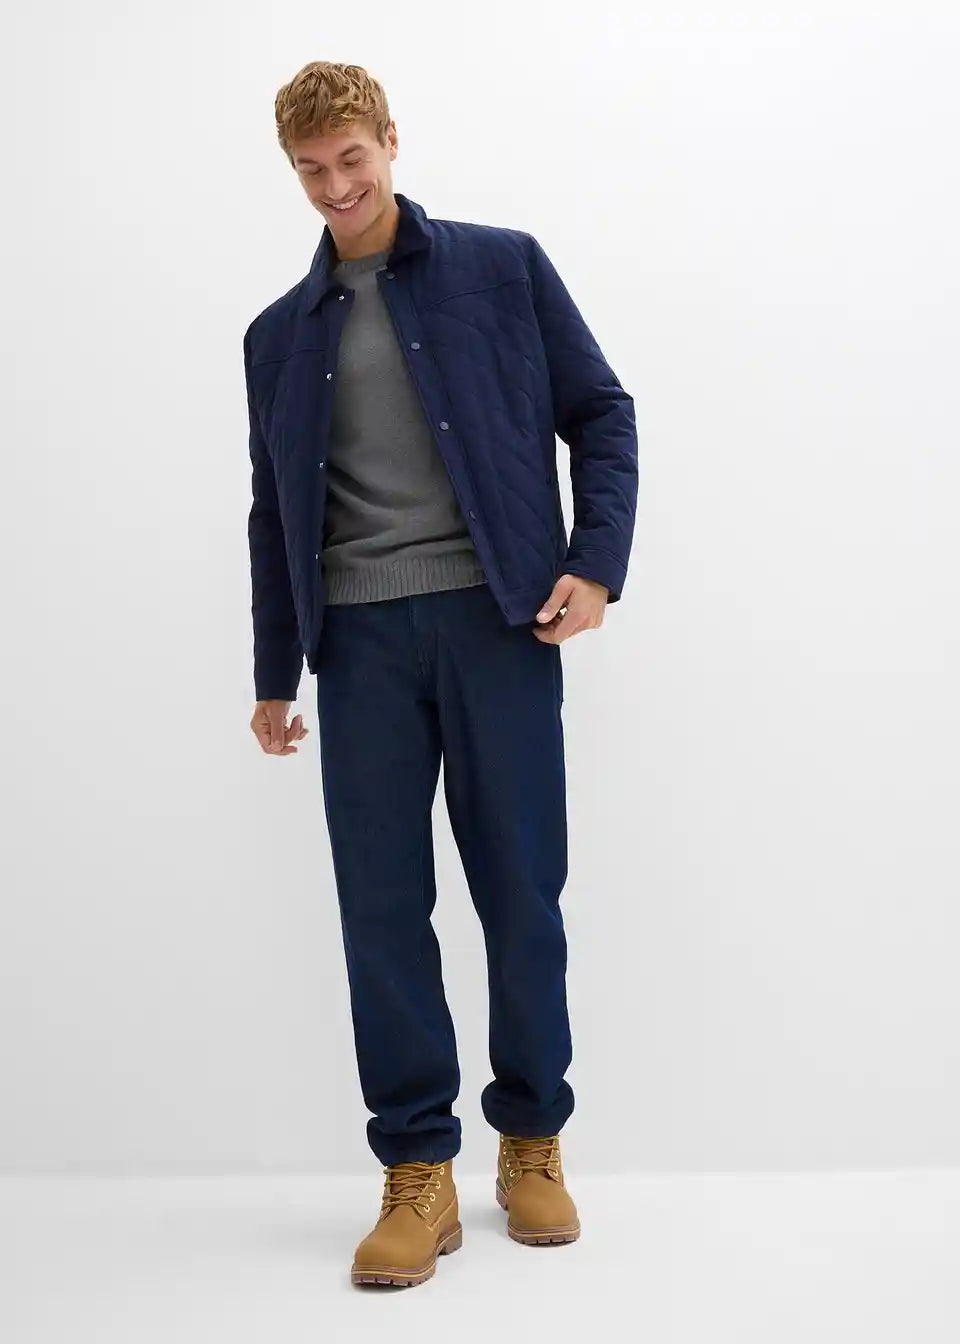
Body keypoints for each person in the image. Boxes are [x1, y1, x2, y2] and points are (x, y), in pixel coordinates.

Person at [244, 60, 638, 1288]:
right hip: (358, 645)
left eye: (350, 159)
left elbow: (601, 411)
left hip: (495, 625)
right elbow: (272, 512)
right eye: (311, 171)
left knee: (520, 889)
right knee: (380, 909)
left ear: (390, 142)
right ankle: (417, 1170)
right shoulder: (277, 335)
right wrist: (274, 674)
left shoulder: (500, 268)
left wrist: (596, 563)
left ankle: (532, 1143)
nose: (335, 187)